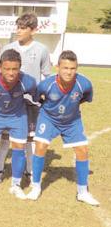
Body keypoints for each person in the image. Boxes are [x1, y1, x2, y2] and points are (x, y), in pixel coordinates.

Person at [26, 50, 99, 206]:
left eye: (72, 68)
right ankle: (36, 187)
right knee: (40, 146)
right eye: (65, 68)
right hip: (49, 118)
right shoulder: (47, 84)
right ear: (57, 67)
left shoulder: (84, 83)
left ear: (76, 68)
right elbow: (38, 98)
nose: (69, 72)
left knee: (82, 150)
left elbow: (86, 98)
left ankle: (82, 192)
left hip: (72, 121)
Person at [0, 12, 52, 183]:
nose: (18, 31)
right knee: (5, 137)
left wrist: (44, 96)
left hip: (31, 102)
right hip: (10, 101)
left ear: (33, 30)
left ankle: (30, 170)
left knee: (29, 137)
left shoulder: (41, 50)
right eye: (17, 27)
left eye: (23, 28)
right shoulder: (8, 48)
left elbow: (47, 75)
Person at [0, 49, 36, 199]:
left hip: (17, 117)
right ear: (0, 68)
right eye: (7, 69)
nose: (11, 73)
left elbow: (38, 96)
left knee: (19, 148)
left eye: (15, 69)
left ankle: (16, 185)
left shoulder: (28, 81)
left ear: (20, 67)